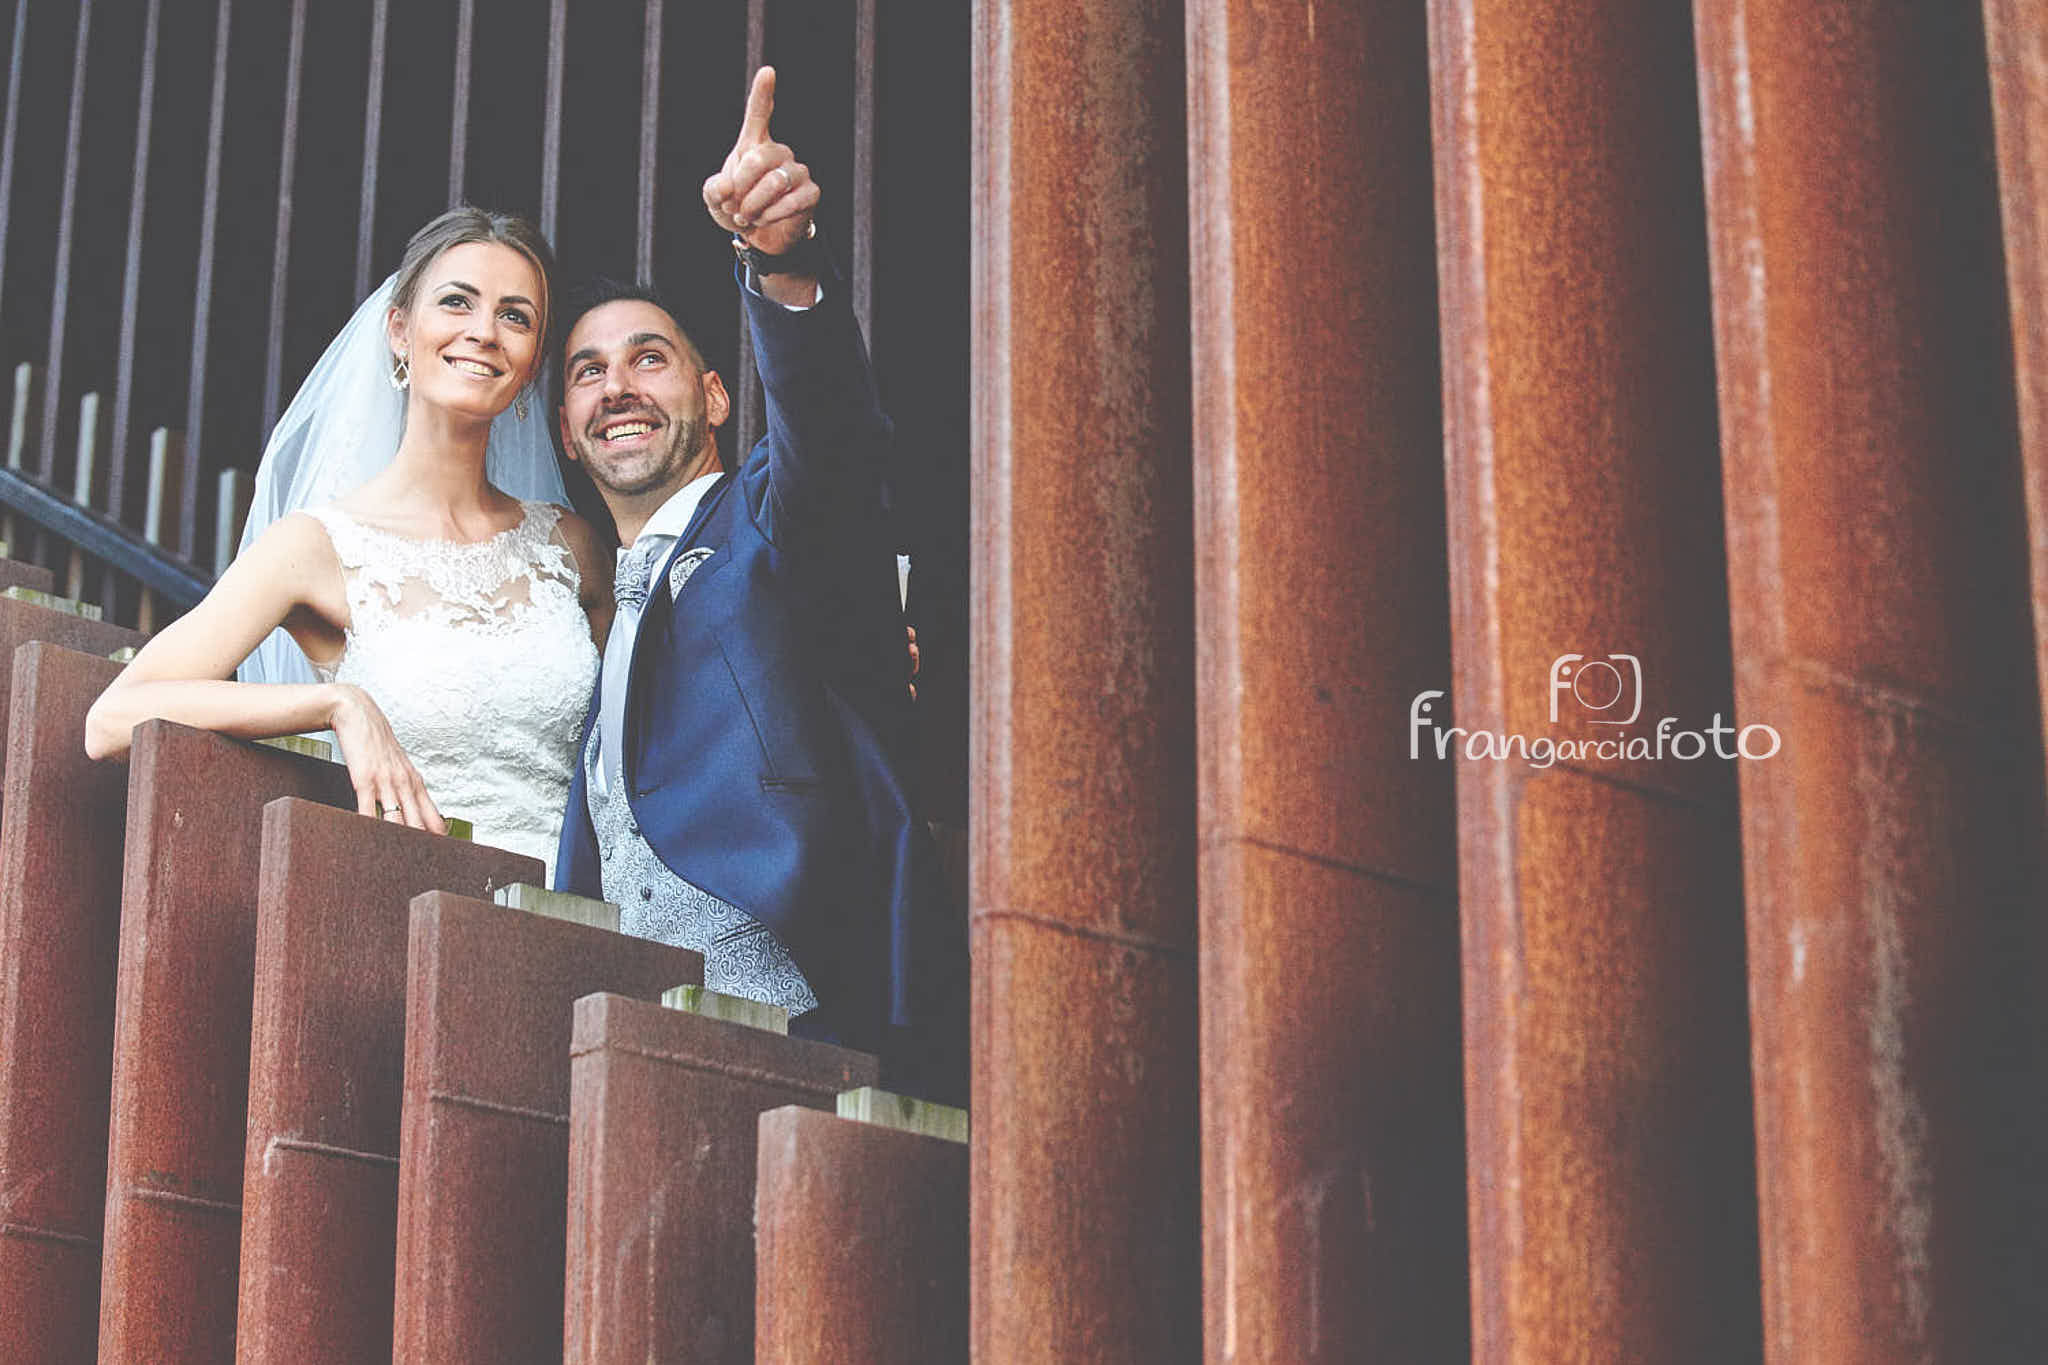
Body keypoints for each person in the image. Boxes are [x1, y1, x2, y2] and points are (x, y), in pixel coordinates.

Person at [554, 66, 960, 1089]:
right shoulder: (597, 612)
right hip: (632, 1059)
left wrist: (781, 266)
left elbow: (831, 434)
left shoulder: (772, 518)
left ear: (715, 397)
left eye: (649, 359)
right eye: (589, 371)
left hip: (806, 1022)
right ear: (566, 430)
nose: (617, 387)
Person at [85, 209, 610, 878]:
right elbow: (112, 720)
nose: (484, 331)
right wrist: (337, 705)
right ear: (399, 330)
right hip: (413, 902)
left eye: (515, 316)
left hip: (579, 911)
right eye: (457, 302)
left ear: (533, 362)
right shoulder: (316, 546)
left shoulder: (572, 547)